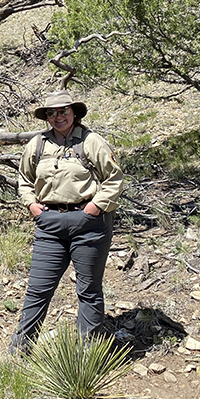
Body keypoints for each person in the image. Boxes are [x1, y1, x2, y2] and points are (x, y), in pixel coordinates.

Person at [10, 89, 123, 352]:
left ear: (74, 112)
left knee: (89, 291)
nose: (58, 116)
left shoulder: (92, 141)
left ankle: (89, 353)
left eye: (63, 111)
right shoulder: (37, 144)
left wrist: (95, 207)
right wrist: (32, 206)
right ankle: (20, 350)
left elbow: (114, 179)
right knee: (38, 289)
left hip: (89, 225)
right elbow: (24, 180)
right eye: (52, 112)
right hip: (49, 224)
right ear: (46, 116)